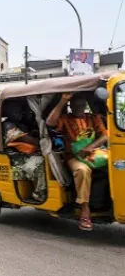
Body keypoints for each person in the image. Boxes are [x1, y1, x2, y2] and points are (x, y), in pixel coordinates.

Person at [46, 93, 108, 231]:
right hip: (73, 156)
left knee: (117, 165)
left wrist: (91, 147)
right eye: (76, 105)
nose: (79, 107)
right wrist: (63, 100)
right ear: (71, 106)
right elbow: (50, 123)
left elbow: (105, 135)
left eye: (82, 105)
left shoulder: (93, 118)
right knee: (82, 170)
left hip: (93, 153)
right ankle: (85, 210)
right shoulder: (65, 119)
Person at [2, 102, 46, 201]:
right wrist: (40, 142)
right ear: (8, 112)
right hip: (17, 158)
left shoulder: (22, 124)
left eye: (20, 110)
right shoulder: (7, 125)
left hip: (27, 155)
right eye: (15, 110)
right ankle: (39, 192)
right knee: (42, 162)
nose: (19, 113)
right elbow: (22, 138)